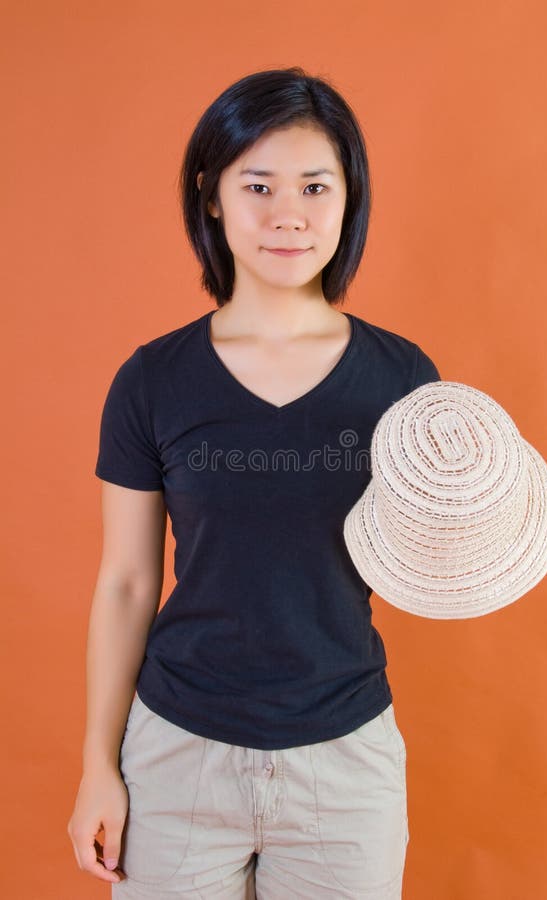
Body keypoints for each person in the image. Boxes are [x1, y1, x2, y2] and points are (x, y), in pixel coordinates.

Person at [67, 66, 440, 899]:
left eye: (314, 184)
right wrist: (100, 764)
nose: (287, 214)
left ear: (349, 198)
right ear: (212, 198)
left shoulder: (404, 379)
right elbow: (127, 583)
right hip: (175, 755)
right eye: (258, 184)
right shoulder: (152, 380)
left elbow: (430, 556)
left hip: (345, 763)